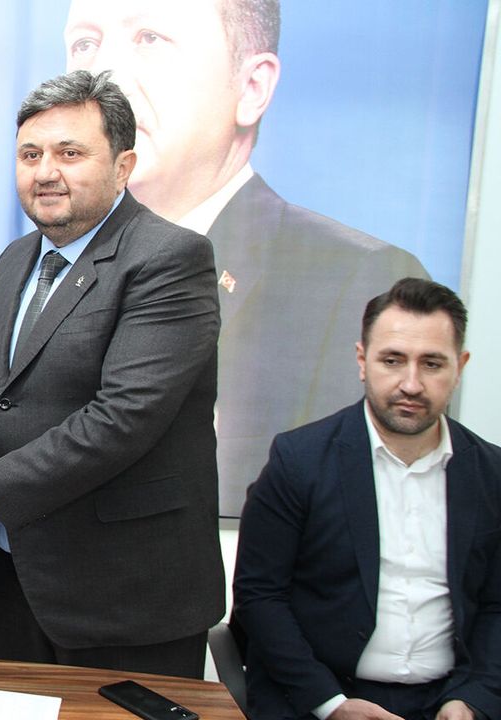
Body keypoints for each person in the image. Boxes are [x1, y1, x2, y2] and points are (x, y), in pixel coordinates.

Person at [0, 70, 224, 677]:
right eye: (30, 154)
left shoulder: (170, 258)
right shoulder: (16, 258)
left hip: (127, 593)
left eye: (70, 153)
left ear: (123, 166)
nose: (45, 172)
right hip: (16, 575)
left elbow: (121, 420)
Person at [62, 0, 428, 511]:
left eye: (149, 38)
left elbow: (345, 506)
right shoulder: (54, 265)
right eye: (85, 44)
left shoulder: (359, 278)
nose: (106, 75)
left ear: (252, 88)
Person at [233, 277, 501, 720]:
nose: (411, 384)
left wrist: (473, 700)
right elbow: (259, 595)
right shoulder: (298, 461)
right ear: (362, 360)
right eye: (392, 360)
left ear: (460, 366)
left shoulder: (491, 474)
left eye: (432, 363)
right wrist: (331, 705)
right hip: (324, 699)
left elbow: (496, 605)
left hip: (449, 701)